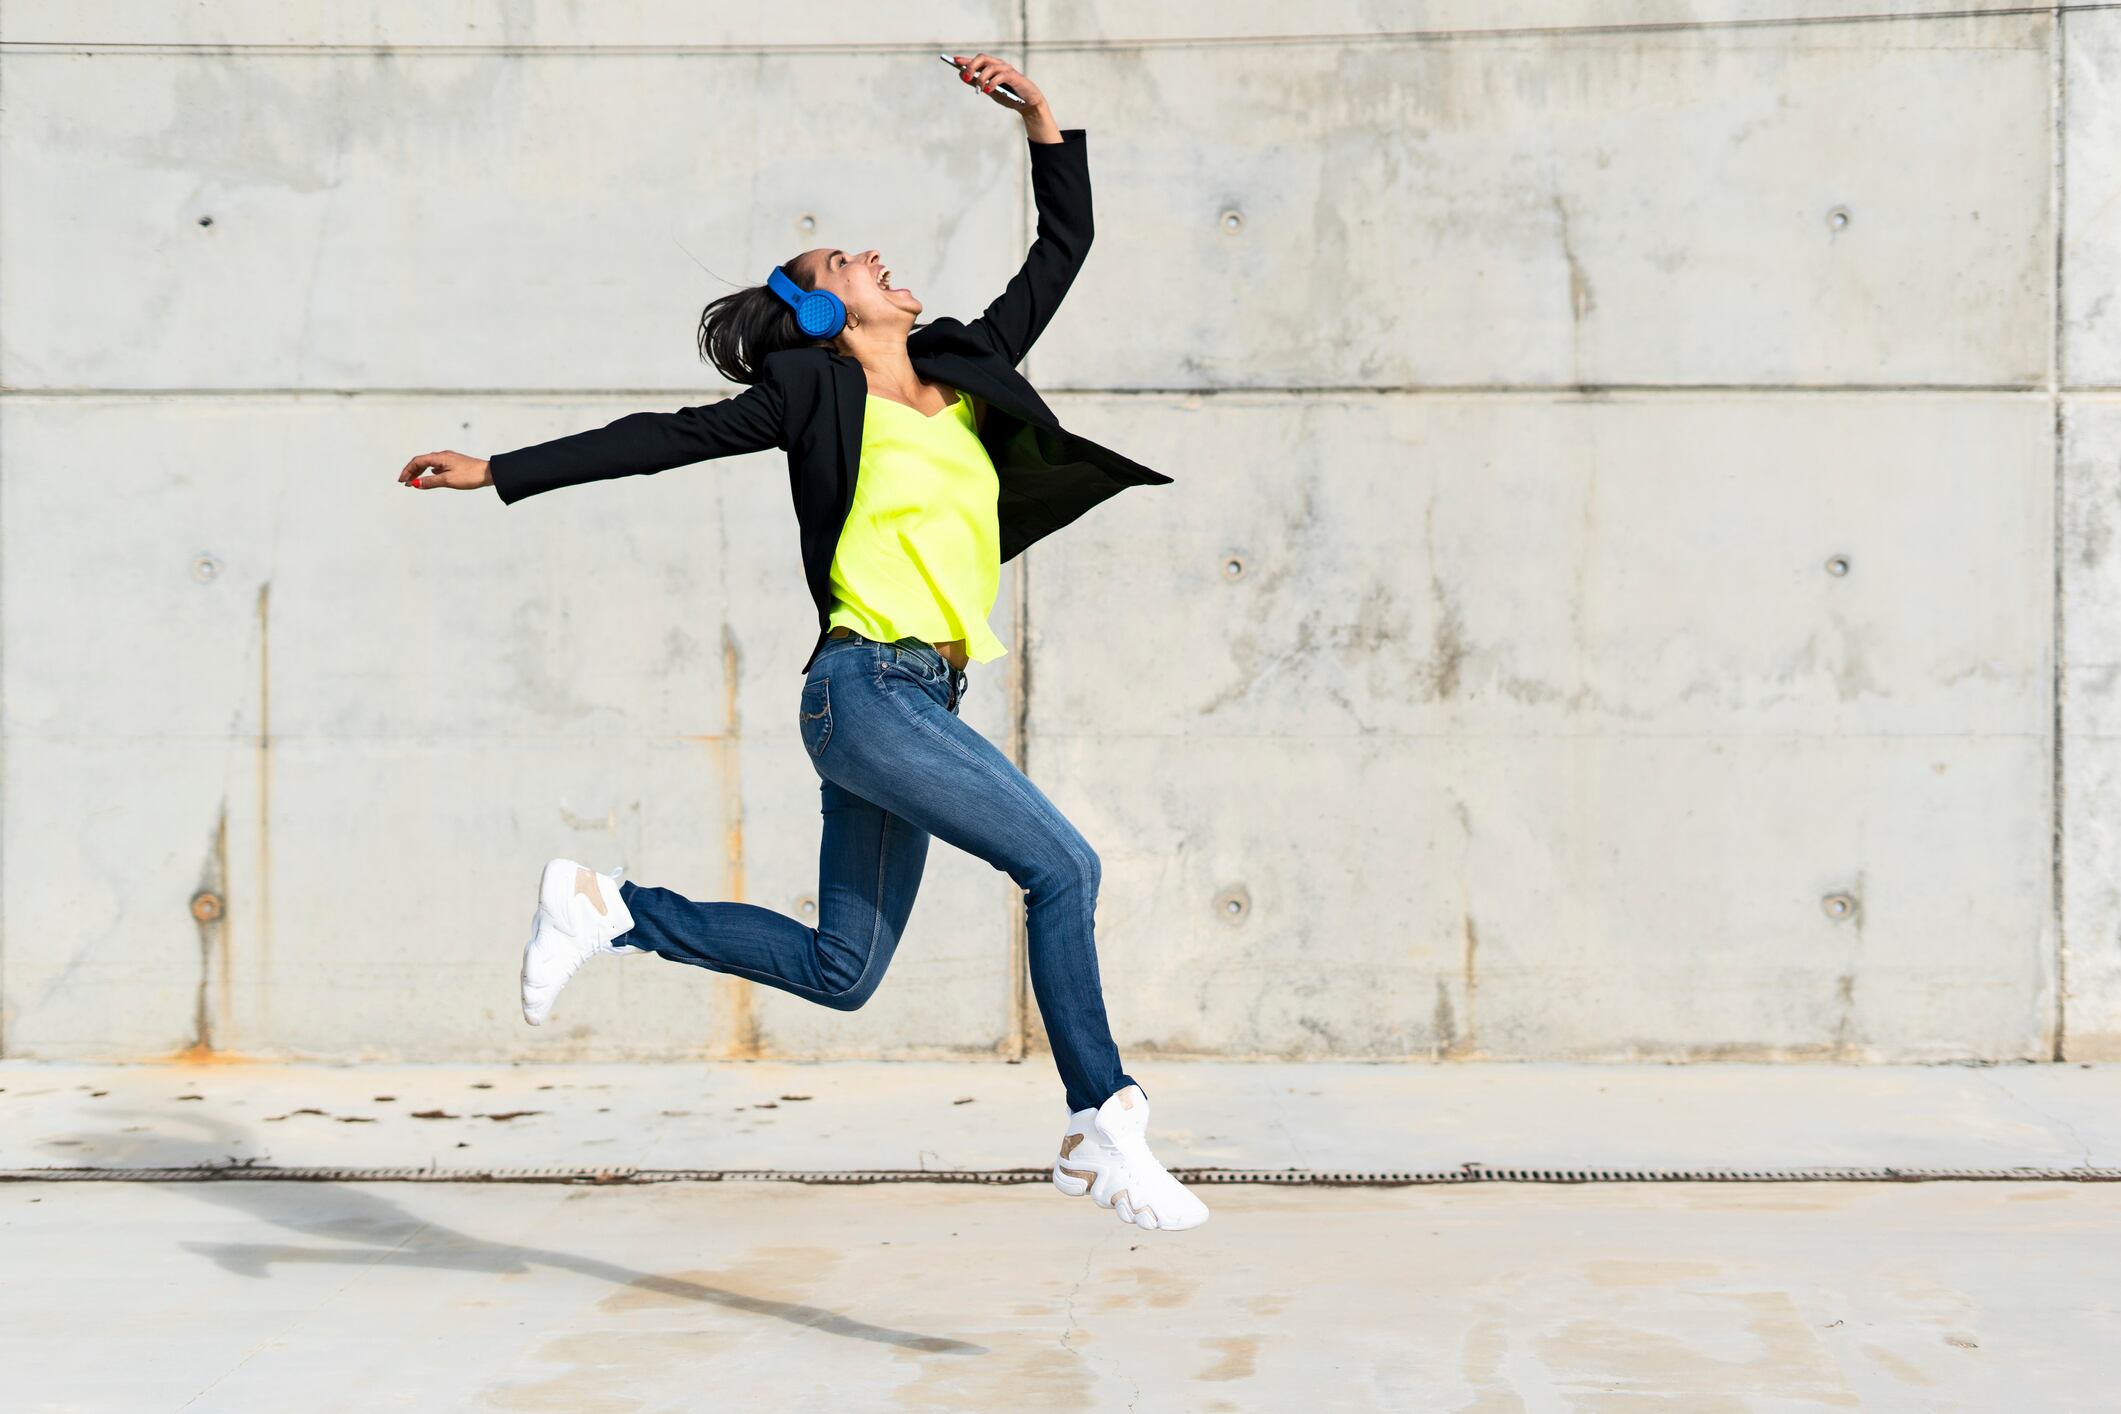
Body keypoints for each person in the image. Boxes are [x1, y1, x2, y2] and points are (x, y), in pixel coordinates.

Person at [396, 55, 1206, 1233]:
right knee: (1063, 867)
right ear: (825, 312)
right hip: (864, 692)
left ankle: (608, 908)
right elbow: (660, 438)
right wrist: (499, 470)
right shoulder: (809, 397)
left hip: (923, 701)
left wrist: (1040, 118)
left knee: (843, 969)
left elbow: (1061, 249)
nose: (870, 256)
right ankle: (1102, 1121)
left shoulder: (965, 369)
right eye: (842, 263)